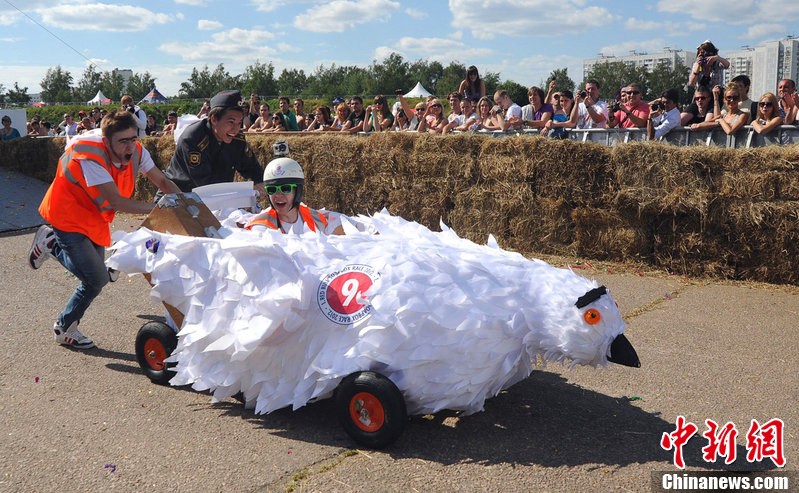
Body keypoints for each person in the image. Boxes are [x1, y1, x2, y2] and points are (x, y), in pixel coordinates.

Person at [29, 111, 182, 349]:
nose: (130, 145)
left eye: (133, 138)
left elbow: (162, 182)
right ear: (107, 141)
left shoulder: (137, 151)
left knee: (94, 279)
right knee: (97, 277)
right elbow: (117, 203)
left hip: (94, 216)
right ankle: (64, 322)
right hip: (66, 213)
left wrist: (185, 203)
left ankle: (65, 322)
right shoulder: (91, 157)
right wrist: (161, 208)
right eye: (123, 141)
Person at [161, 89, 265, 198]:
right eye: (231, 122)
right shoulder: (193, 139)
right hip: (177, 199)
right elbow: (204, 185)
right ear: (214, 119)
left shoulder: (237, 139)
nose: (235, 129)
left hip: (215, 200)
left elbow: (252, 168)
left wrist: (260, 183)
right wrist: (243, 191)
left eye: (239, 123)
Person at [245, 155, 345, 235]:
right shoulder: (262, 227)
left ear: (298, 191)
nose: (278, 195)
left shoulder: (316, 219)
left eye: (285, 189)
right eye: (272, 190)